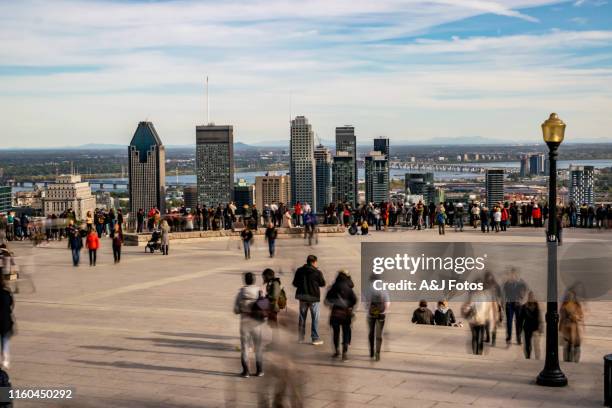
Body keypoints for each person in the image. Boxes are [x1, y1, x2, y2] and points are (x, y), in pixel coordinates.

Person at [233, 272, 264, 377]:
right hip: (257, 323)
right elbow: (264, 306)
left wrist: (242, 308)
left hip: (245, 323)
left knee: (245, 347)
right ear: (254, 280)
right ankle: (259, 370)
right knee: (258, 347)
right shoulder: (259, 291)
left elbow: (236, 310)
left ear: (245, 280)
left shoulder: (241, 293)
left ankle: (246, 371)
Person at [293, 255, 326, 345]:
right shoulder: (317, 272)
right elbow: (322, 283)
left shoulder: (299, 270)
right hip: (314, 298)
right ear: (314, 262)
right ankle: (315, 338)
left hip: (302, 297)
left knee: (302, 317)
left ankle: (300, 337)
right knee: (315, 318)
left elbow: (295, 283)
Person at [325, 270, 356, 361]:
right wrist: (349, 306)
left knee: (336, 333)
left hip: (335, 313)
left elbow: (327, 300)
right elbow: (354, 300)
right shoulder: (349, 288)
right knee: (346, 332)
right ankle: (344, 354)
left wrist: (334, 303)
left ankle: (336, 351)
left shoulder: (333, 287)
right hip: (345, 314)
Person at [365, 276, 390, 361]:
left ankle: (371, 351)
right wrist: (384, 311)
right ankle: (378, 353)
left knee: (371, 332)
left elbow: (366, 302)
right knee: (379, 334)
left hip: (371, 313)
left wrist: (368, 310)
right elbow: (387, 301)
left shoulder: (368, 288)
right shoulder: (383, 287)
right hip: (381, 313)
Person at [463, 287, 493, 355]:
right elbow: (468, 307)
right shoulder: (473, 298)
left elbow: (488, 310)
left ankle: (479, 352)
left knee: (479, 337)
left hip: (480, 321)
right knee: (475, 336)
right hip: (474, 320)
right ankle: (475, 352)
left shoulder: (484, 299)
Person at [503, 269, 528, 345]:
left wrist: (521, 298)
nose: (513, 276)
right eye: (511, 274)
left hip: (517, 304)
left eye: (514, 274)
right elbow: (504, 294)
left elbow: (525, 291)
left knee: (518, 322)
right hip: (509, 304)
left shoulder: (521, 283)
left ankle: (518, 338)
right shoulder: (507, 284)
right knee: (509, 322)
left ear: (516, 275)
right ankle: (509, 337)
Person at [559, 290, 584, 363]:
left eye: (572, 296)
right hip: (566, 330)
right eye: (569, 296)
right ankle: (567, 362)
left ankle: (575, 361)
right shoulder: (564, 306)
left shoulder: (577, 305)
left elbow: (580, 316)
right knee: (567, 347)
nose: (570, 297)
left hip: (575, 330)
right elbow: (562, 318)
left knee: (576, 347)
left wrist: (576, 317)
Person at [520, 291, 542, 359]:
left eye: (532, 296)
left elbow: (539, 317)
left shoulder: (537, 305)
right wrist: (520, 329)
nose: (531, 297)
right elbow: (521, 318)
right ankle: (528, 357)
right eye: (530, 296)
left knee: (537, 345)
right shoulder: (524, 306)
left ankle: (537, 358)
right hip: (527, 328)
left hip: (535, 328)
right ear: (528, 297)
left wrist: (541, 327)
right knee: (527, 344)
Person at [0, 278, 14, 369]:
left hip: (3, 321)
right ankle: (6, 360)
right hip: (5, 321)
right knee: (5, 341)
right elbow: (10, 304)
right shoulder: (6, 293)